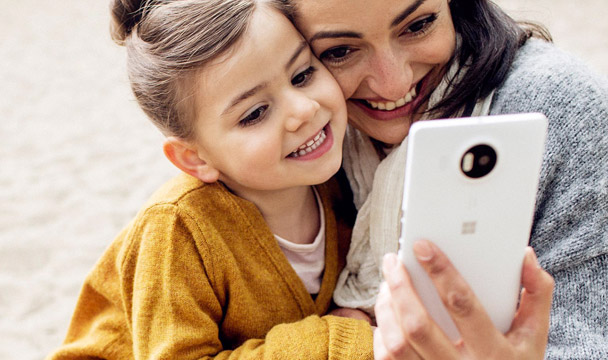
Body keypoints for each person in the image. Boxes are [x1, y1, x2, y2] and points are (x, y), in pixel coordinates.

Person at [280, 0, 608, 358]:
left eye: (418, 25)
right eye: (340, 51)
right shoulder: (302, 136)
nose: (393, 83)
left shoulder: (562, 108)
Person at [46, 0, 375, 358]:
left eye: (302, 75)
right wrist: (335, 340)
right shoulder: (177, 229)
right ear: (195, 158)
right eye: (255, 113)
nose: (303, 109)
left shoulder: (345, 177)